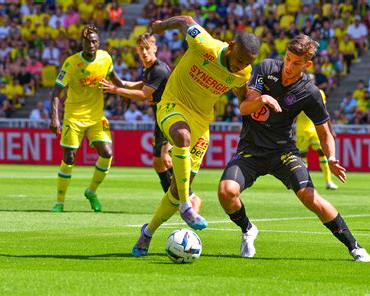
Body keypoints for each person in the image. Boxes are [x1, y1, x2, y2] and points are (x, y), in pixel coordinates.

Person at [217, 34, 370, 262]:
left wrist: (331, 157)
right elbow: (244, 107)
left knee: (311, 198)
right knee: (226, 193)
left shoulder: (309, 92)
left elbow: (324, 130)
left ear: (307, 64)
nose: (289, 66)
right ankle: (248, 229)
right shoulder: (267, 67)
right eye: (288, 59)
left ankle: (354, 246)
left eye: (296, 63)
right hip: (250, 149)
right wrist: (262, 100)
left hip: (283, 152)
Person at [131, 15, 259, 257]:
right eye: (239, 59)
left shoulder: (243, 73)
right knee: (181, 136)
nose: (240, 66)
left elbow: (242, 95)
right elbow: (186, 20)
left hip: (201, 123)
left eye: (246, 63)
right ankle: (186, 206)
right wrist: (161, 26)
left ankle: (147, 232)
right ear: (230, 45)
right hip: (173, 104)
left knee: (178, 187)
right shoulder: (205, 44)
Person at [99, 33, 201, 211]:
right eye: (141, 49)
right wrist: (122, 83)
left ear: (155, 48)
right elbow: (142, 85)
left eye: (147, 48)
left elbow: (143, 95)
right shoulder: (149, 70)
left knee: (165, 159)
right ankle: (174, 201)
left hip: (171, 115)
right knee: (158, 162)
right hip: (160, 118)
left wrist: (116, 89)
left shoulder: (159, 69)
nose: (144, 52)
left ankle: (191, 197)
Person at [49, 25, 124, 212]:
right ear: (82, 43)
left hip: (97, 116)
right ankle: (60, 202)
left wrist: (126, 95)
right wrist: (55, 118)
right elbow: (56, 91)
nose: (91, 44)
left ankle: (91, 191)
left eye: (94, 41)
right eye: (88, 41)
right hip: (74, 116)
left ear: (98, 43)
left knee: (107, 153)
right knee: (70, 157)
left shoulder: (105, 58)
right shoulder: (71, 63)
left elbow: (117, 81)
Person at [296, 74, 338, 190]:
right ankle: (305, 183)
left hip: (315, 128)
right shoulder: (297, 91)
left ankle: (328, 181)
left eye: (312, 79)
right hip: (302, 129)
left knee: (322, 153)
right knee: (303, 158)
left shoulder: (320, 93)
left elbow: (324, 112)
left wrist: (330, 129)